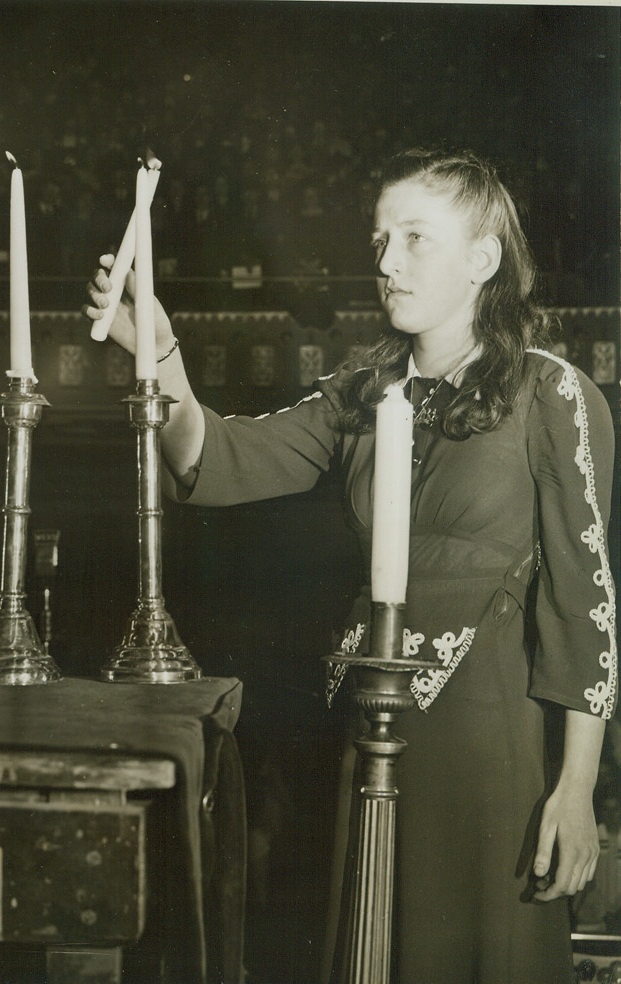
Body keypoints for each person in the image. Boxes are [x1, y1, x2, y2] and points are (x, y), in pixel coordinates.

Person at [83, 148, 616, 983]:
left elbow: (586, 610)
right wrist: (161, 354)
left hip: (486, 754)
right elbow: (214, 460)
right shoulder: (362, 393)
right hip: (359, 732)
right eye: (379, 239)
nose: (386, 261)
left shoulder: (555, 396)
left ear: (483, 259)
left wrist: (577, 789)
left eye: (414, 238)